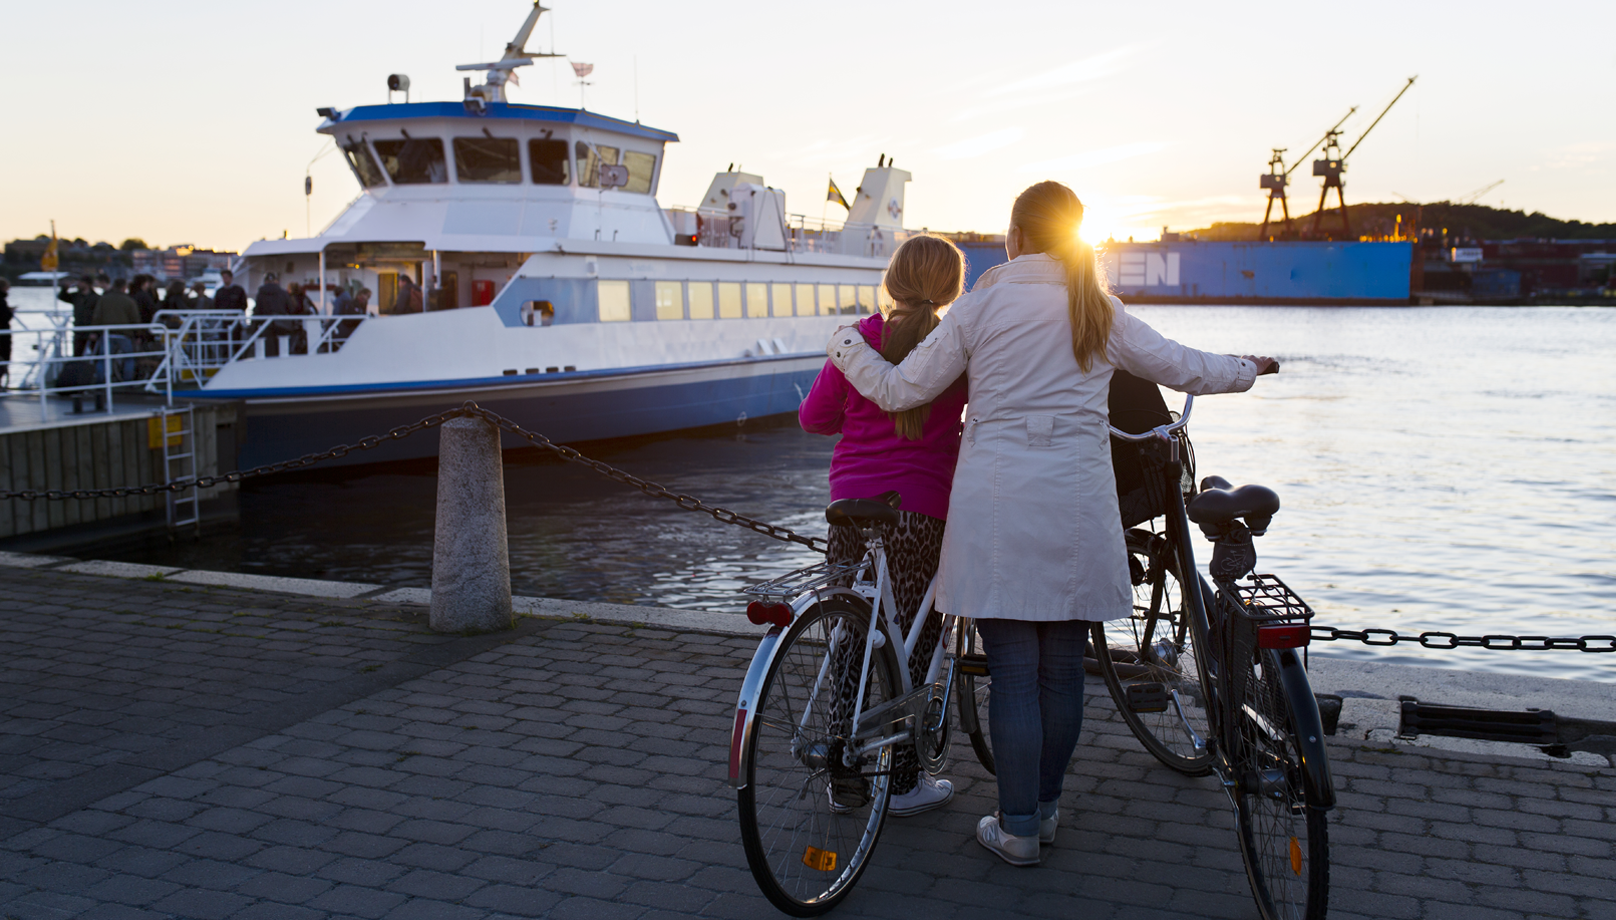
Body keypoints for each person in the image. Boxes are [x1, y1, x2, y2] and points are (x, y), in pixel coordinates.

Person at [825, 181, 1277, 866]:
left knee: (1013, 670)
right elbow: (1184, 366)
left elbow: (902, 389)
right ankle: (1044, 811)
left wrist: (845, 347)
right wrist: (1248, 368)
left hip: (997, 506)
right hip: (1077, 502)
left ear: (1015, 236)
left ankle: (1016, 829)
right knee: (1062, 669)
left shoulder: (981, 306)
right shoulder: (1096, 306)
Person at [799, 234, 970, 818]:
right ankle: (902, 781)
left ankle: (843, 775)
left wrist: (858, 419)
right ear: (951, 289)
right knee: (914, 640)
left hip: (849, 508)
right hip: (920, 510)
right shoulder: (955, 347)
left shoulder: (857, 340)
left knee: (851, 633)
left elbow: (813, 418)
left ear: (892, 280)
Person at [89, 277, 141, 381]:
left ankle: (101, 380)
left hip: (107, 333)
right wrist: (138, 335)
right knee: (129, 358)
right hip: (124, 334)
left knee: (103, 359)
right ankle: (127, 380)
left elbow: (97, 316)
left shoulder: (104, 299)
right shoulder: (129, 301)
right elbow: (135, 319)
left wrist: (94, 332)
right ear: (124, 287)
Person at [60, 275, 100, 356]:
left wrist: (95, 332)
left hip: (91, 329)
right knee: (77, 353)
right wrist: (65, 288)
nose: (78, 284)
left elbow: (99, 315)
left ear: (87, 284)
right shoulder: (76, 296)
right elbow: (62, 297)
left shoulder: (96, 298)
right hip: (79, 330)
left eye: (81, 282)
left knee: (96, 353)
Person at [0, 278, 12, 389]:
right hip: (3, 336)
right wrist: (10, 312)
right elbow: (4, 317)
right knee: (3, 358)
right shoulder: (1, 300)